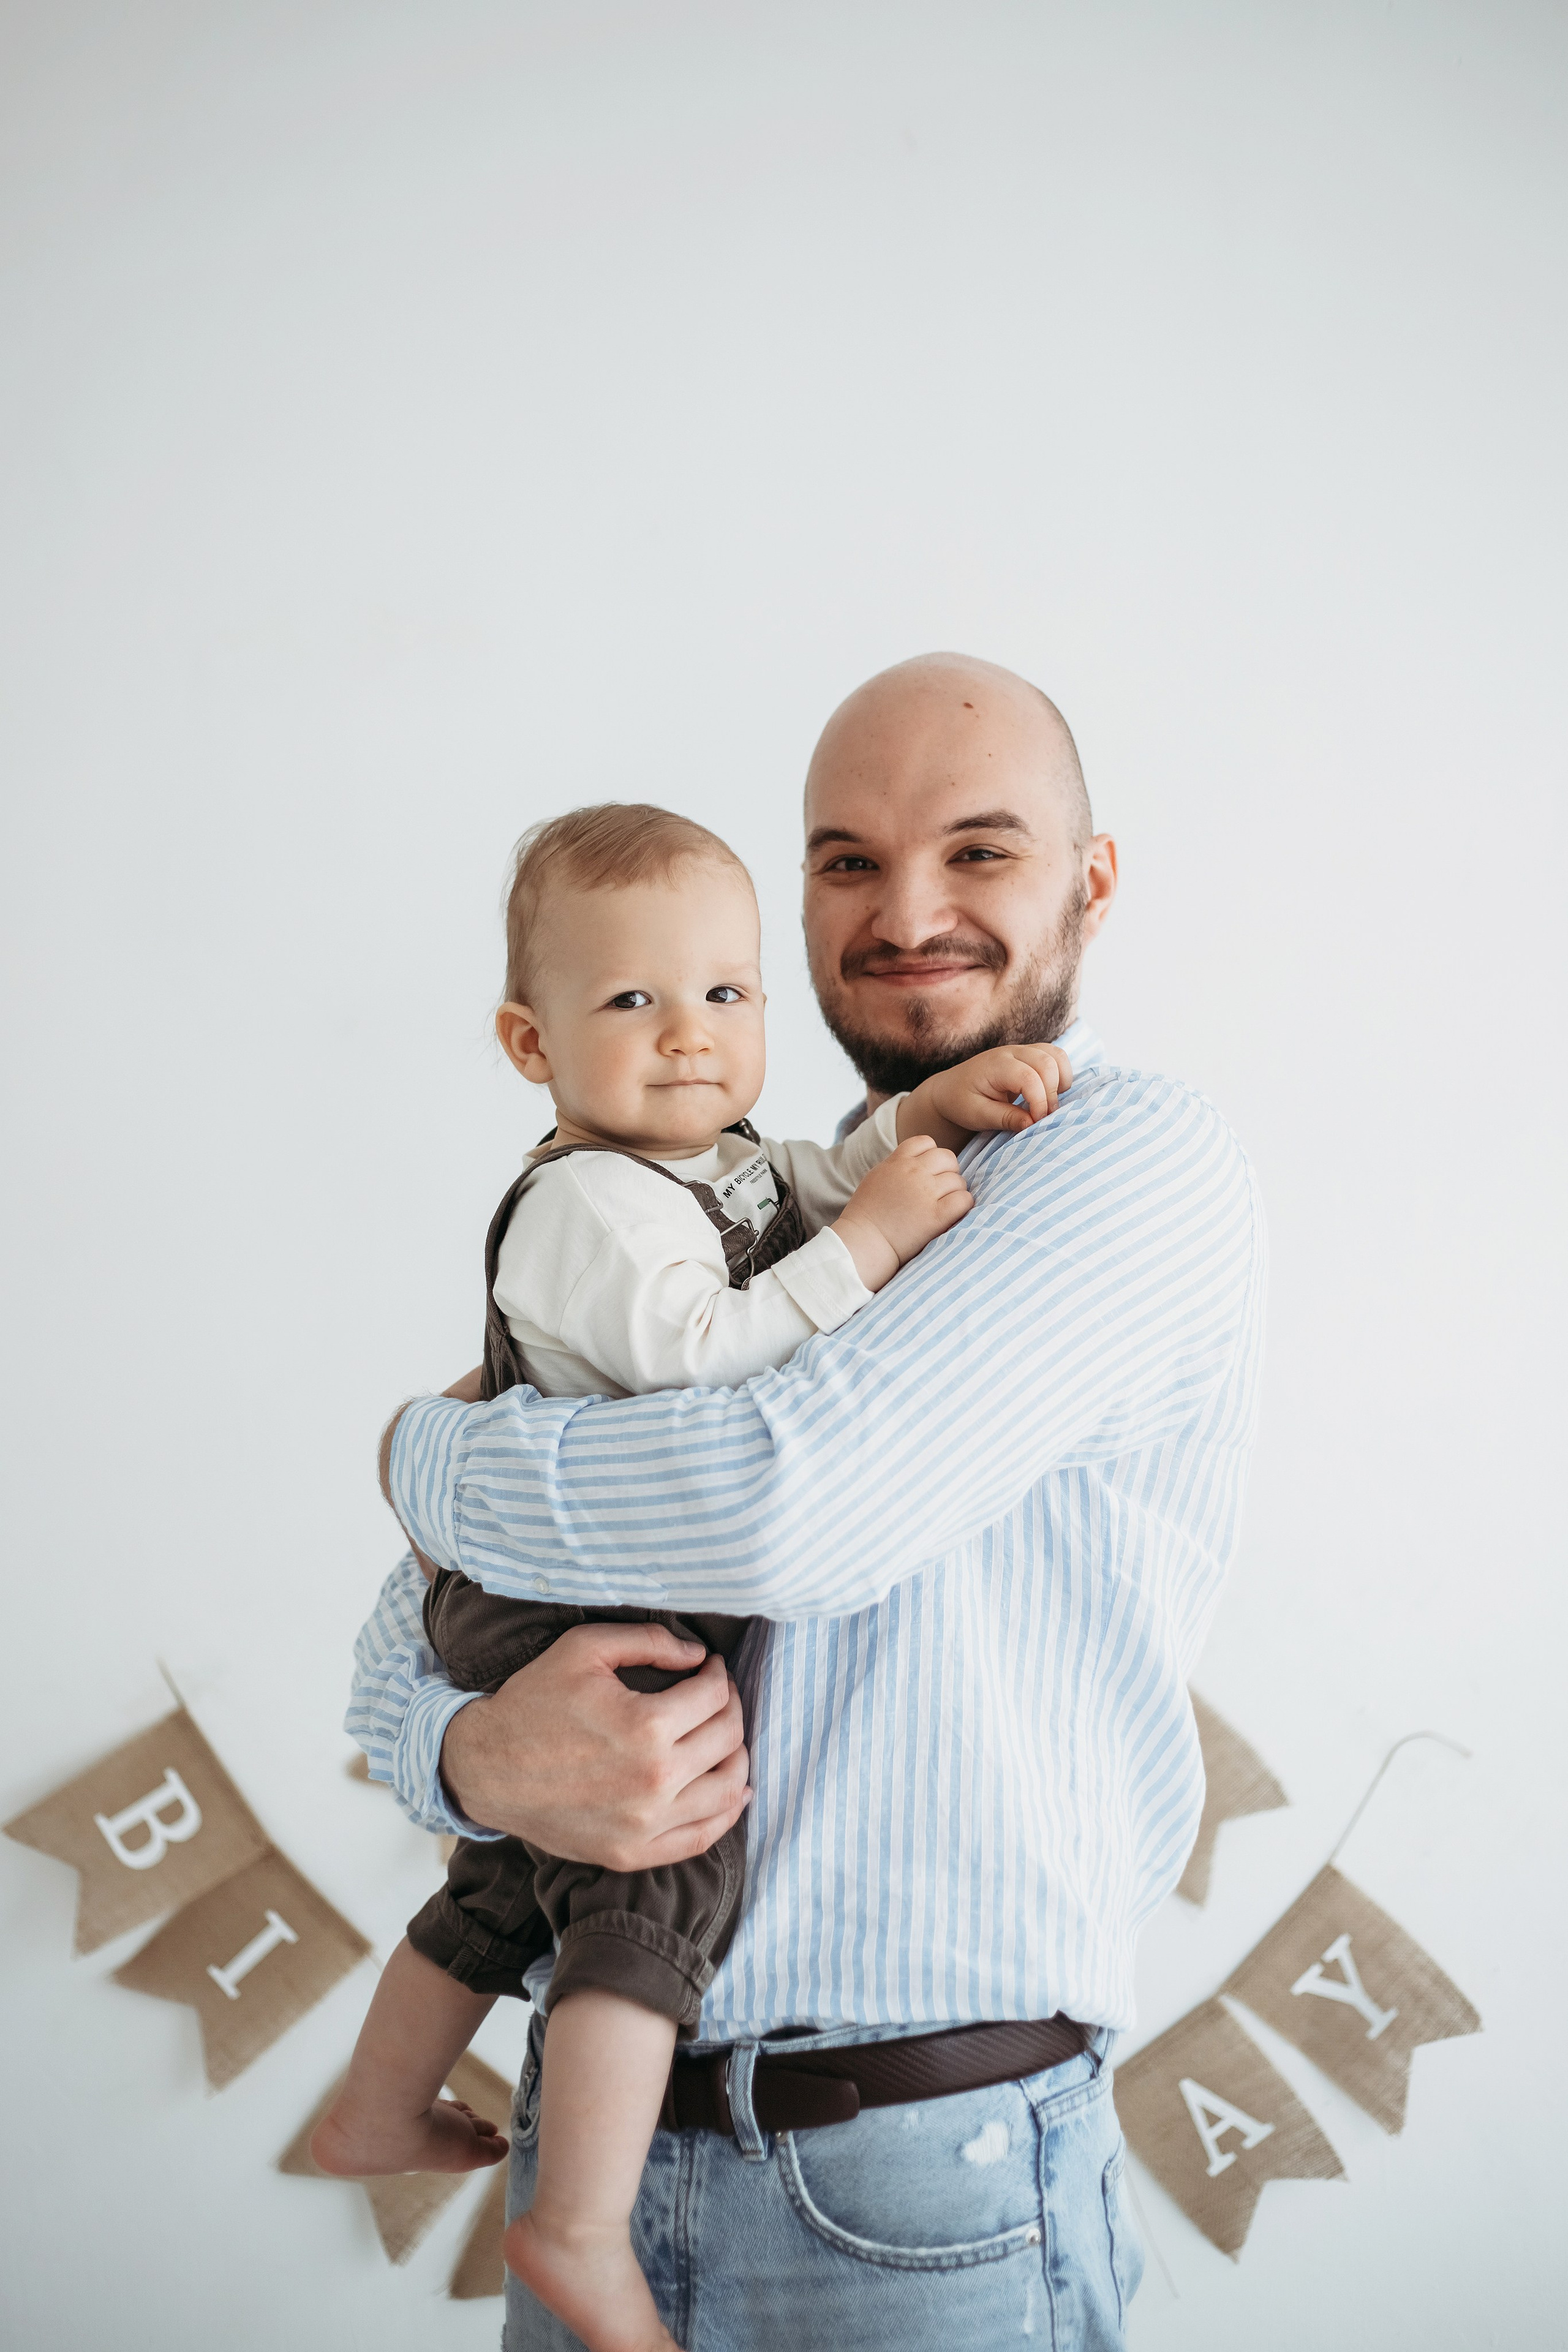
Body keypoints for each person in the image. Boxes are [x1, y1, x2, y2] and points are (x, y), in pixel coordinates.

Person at [350, 652, 1267, 2351]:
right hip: (599, 2136)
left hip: (917, 2179)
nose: (905, 912)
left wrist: (428, 1459)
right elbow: (402, 1648)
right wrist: (470, 1754)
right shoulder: (703, 1203)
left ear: (1092, 879)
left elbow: (788, 1515)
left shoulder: (1123, 1157)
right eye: (849, 860)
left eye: (978, 850)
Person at [317, 799, 1072, 2352]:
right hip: (567, 1603)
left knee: (516, 1875)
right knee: (661, 1864)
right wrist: (870, 1244)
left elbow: (820, 1171)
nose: (689, 1035)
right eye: (631, 999)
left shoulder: (713, 1164)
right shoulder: (583, 1205)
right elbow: (708, 1364)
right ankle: (578, 2225)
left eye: (726, 993)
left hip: (584, 1583)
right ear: (530, 1044)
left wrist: (915, 1120)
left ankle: (376, 2104)